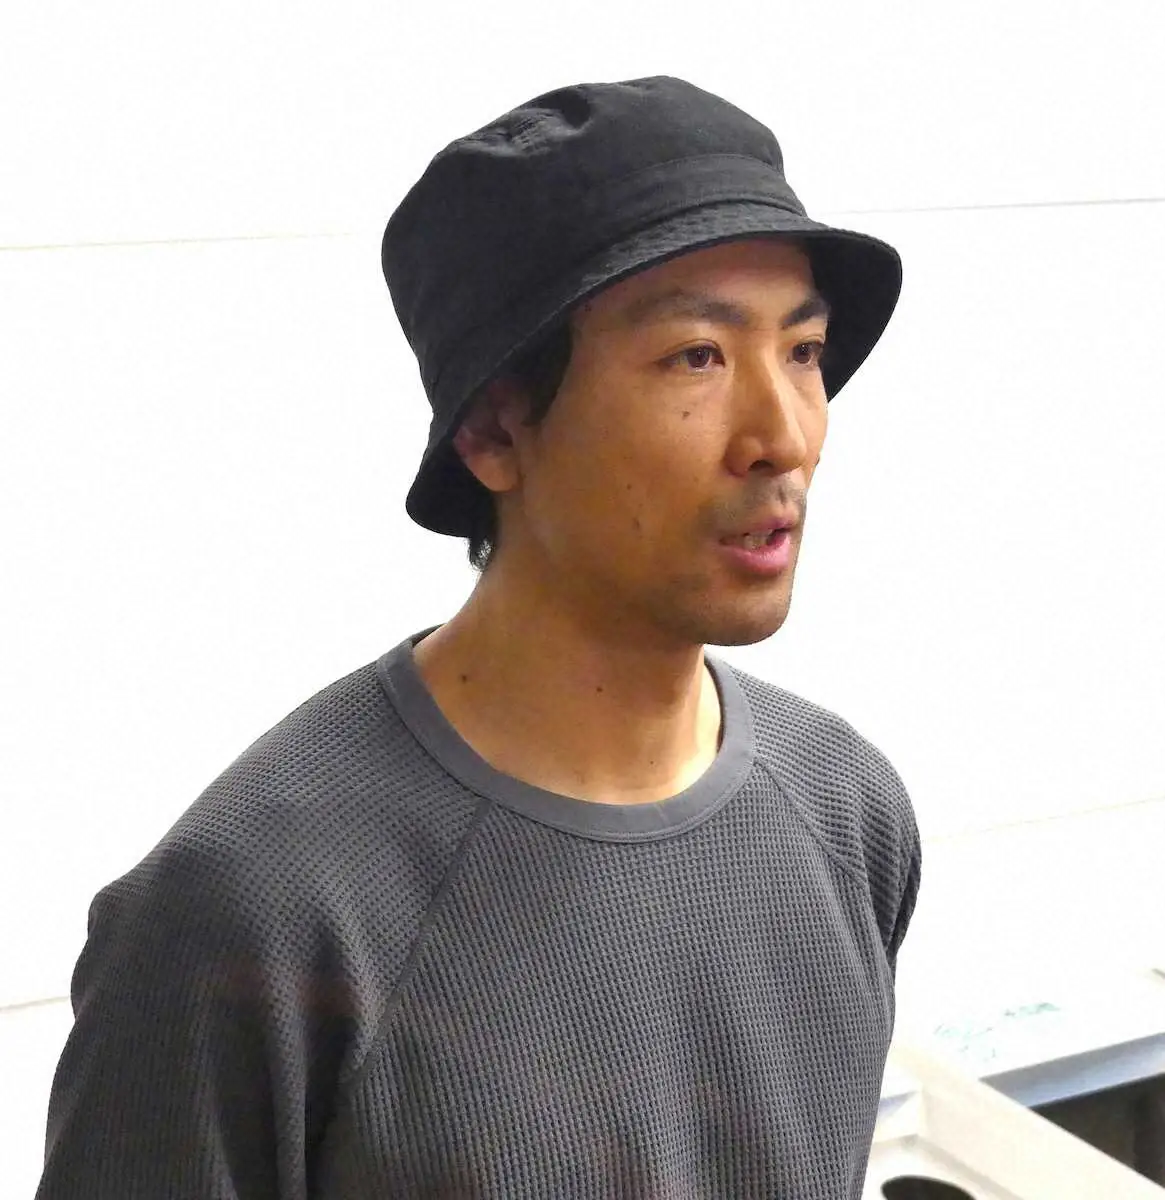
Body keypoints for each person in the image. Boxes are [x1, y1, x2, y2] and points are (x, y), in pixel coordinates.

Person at [36, 75, 921, 1199]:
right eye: (696, 355)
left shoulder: (846, 809)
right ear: (496, 431)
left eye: (803, 351)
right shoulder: (244, 914)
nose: (782, 437)